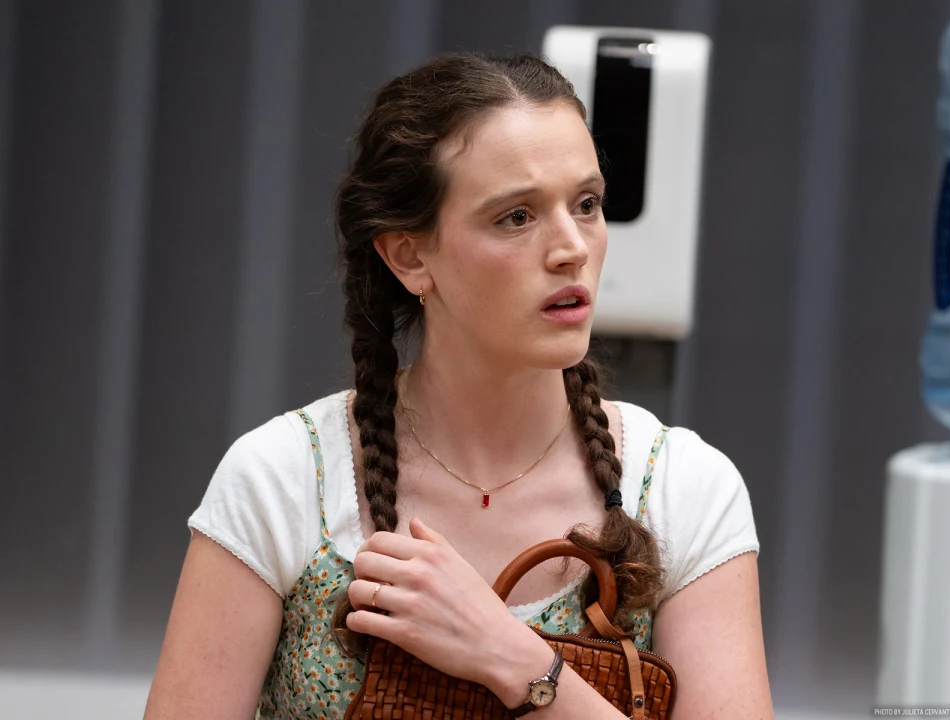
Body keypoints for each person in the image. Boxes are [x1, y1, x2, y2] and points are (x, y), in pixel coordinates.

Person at [144, 52, 774, 719]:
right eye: (516, 217)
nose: (572, 248)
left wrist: (514, 659)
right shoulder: (282, 479)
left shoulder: (685, 489)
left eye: (586, 204)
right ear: (410, 256)